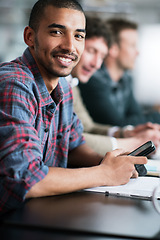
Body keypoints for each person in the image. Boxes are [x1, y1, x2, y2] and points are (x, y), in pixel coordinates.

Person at [0, 0, 147, 214]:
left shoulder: (63, 87)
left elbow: (74, 145)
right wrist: (104, 173)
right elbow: (26, 177)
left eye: (78, 36)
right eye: (57, 32)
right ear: (30, 37)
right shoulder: (14, 84)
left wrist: (111, 163)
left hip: (41, 215)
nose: (70, 46)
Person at [67, 16, 160, 155]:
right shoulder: (90, 81)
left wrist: (126, 132)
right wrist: (133, 142)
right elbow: (66, 139)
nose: (96, 64)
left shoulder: (72, 83)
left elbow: (88, 127)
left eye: (102, 57)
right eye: (92, 51)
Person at [78, 18, 160, 127]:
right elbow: (117, 124)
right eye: (132, 46)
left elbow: (136, 116)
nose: (137, 52)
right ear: (113, 49)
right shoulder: (91, 78)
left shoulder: (126, 79)